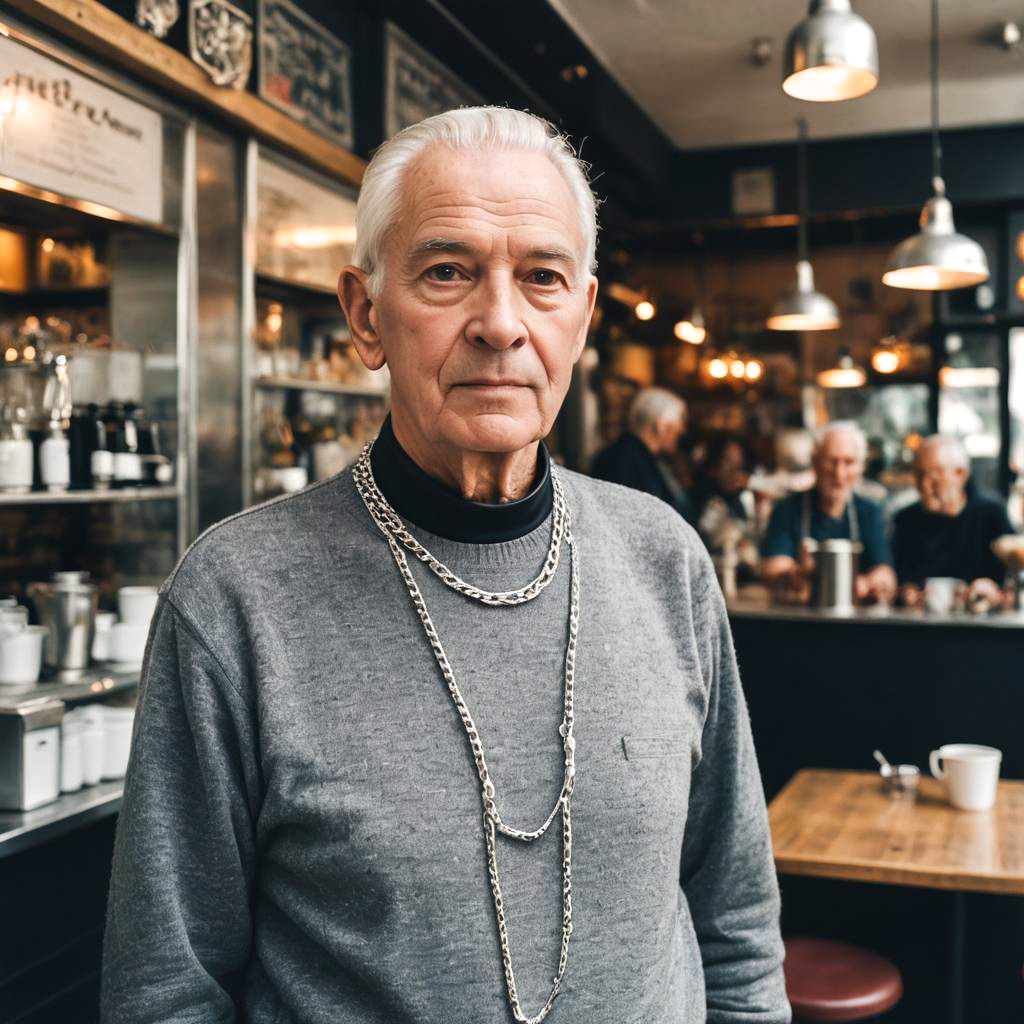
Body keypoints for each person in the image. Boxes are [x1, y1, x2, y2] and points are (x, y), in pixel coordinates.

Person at [101, 107, 788, 1024]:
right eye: (447, 272)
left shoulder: (664, 558)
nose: (500, 324)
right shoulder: (237, 597)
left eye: (541, 278)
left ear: (581, 318)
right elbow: (166, 988)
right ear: (365, 315)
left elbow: (735, 920)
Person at [761, 421, 896, 603]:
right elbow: (772, 568)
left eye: (848, 462)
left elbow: (885, 574)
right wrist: (797, 573)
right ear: (815, 462)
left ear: (861, 468)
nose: (839, 474)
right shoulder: (787, 509)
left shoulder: (870, 512)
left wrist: (864, 584)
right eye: (832, 462)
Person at [893, 434, 1015, 608]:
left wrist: (994, 591)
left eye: (935, 474)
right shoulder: (906, 519)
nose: (925, 485)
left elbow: (1013, 578)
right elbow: (900, 579)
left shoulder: (991, 514)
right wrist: (906, 591)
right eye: (920, 475)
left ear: (960, 474)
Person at [589, 386, 693, 518]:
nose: (682, 431)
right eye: (678, 425)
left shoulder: (638, 455)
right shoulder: (624, 459)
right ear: (661, 426)